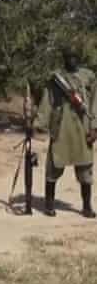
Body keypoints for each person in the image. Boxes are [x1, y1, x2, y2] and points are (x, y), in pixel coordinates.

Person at [34, 45, 97, 218]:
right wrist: (39, 122)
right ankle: (49, 204)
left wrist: (94, 127)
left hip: (82, 126)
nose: (72, 60)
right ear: (64, 58)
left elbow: (95, 102)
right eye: (68, 57)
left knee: (85, 168)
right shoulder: (57, 78)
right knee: (54, 165)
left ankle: (86, 206)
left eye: (74, 56)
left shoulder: (88, 76)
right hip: (61, 126)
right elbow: (47, 101)